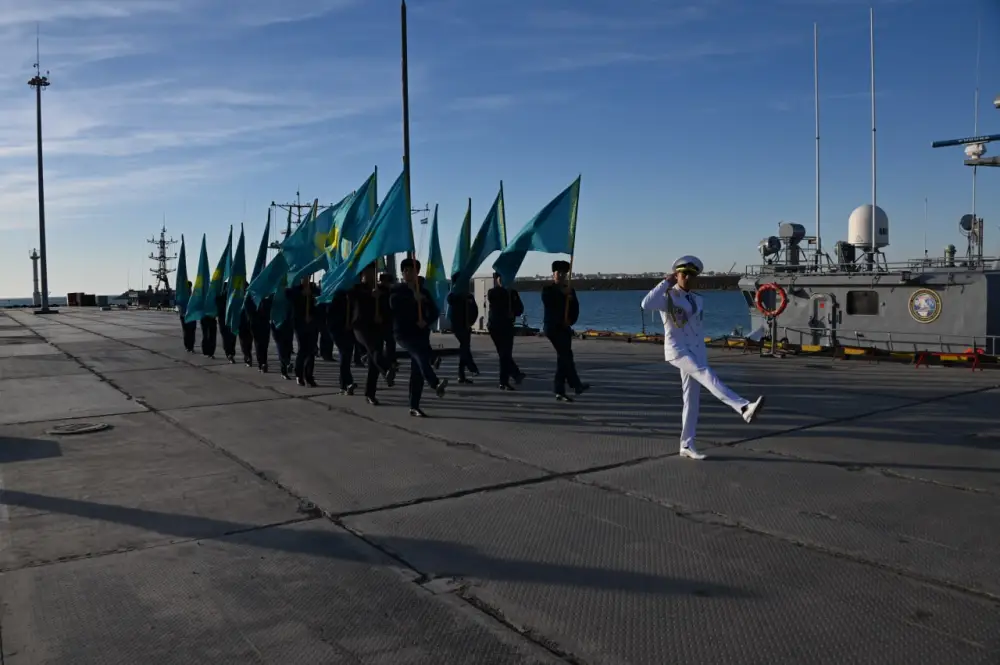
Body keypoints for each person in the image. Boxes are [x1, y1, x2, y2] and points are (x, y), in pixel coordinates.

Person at [641, 255, 765, 460]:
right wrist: (666, 282)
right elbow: (646, 304)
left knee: (691, 400)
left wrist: (701, 350)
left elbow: (696, 328)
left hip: (696, 350)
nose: (687, 278)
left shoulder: (698, 299)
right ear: (676, 275)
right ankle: (743, 407)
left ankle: (687, 444)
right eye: (683, 274)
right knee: (706, 374)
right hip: (678, 350)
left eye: (691, 275)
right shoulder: (667, 297)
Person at [391, 258, 447, 417]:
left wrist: (426, 320)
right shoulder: (397, 290)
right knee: (420, 356)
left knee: (417, 370)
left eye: (412, 270)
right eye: (406, 270)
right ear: (402, 273)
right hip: (403, 333)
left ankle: (414, 405)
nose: (409, 273)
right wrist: (412, 300)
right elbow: (394, 305)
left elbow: (434, 311)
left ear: (417, 273)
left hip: (420, 333)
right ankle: (435, 383)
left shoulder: (423, 291)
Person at [541, 260, 589, 401]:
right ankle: (575, 385)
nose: (561, 275)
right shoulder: (548, 290)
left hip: (565, 328)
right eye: (558, 273)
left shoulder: (570, 290)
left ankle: (559, 390)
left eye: (564, 273)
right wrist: (562, 294)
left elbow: (575, 309)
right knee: (565, 356)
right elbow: (549, 304)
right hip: (552, 328)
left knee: (564, 358)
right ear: (553, 274)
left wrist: (570, 320)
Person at [351, 265, 396, 404]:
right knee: (374, 350)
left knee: (373, 362)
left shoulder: (382, 289)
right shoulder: (357, 288)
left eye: (372, 272)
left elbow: (388, 307)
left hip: (377, 327)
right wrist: (371, 294)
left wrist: (382, 317)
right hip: (361, 327)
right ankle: (387, 369)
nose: (369, 275)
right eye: (366, 272)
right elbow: (354, 297)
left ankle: (370, 393)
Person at [486, 272, 525, 390]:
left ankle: (510, 378)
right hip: (495, 327)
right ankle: (511, 376)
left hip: (508, 326)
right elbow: (496, 302)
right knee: (504, 354)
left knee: (505, 354)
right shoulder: (493, 292)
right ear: (497, 279)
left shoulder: (512, 293)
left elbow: (520, 309)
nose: (503, 280)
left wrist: (513, 311)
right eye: (500, 278)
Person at [286, 277, 320, 387]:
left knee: (312, 350)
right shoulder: (295, 290)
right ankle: (299, 375)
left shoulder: (314, 288)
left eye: (307, 277)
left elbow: (321, 300)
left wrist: (312, 295)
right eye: (303, 278)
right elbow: (288, 295)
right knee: (303, 349)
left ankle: (309, 376)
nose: (305, 280)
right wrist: (301, 294)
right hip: (299, 323)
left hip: (312, 323)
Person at [447, 274, 480, 383]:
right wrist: (461, 296)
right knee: (465, 347)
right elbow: (450, 300)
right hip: (457, 326)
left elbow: (474, 309)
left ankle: (462, 375)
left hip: (467, 325)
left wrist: (471, 321)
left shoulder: (469, 296)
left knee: (464, 348)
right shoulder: (453, 295)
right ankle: (471, 367)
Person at [328, 285, 356, 394]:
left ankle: (343, 384)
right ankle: (348, 382)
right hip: (337, 330)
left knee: (347, 357)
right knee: (344, 355)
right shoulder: (335, 296)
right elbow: (331, 315)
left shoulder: (352, 295)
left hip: (349, 331)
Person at [375, 272, 398, 370]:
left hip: (388, 319)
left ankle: (391, 361)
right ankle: (386, 362)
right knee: (384, 342)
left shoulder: (390, 291)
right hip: (380, 320)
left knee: (390, 342)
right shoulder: (377, 291)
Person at [270, 295, 294, 380]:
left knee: (287, 349)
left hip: (287, 326)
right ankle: (285, 366)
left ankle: (286, 366)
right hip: (277, 326)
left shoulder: (288, 296)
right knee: (281, 347)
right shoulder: (272, 296)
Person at [216, 283, 237, 363]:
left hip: (228, 320)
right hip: (225, 320)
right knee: (229, 337)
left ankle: (230, 353)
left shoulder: (221, 298)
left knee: (229, 337)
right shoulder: (221, 297)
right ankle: (230, 353)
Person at [250, 295, 272, 372]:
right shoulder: (251, 295)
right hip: (255, 323)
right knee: (259, 344)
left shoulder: (267, 295)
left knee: (265, 344)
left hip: (265, 323)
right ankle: (261, 363)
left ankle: (264, 362)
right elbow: (248, 309)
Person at [179, 280, 197, 353]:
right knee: (187, 332)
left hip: (191, 315)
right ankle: (188, 347)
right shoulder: (189, 295)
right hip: (185, 315)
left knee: (191, 331)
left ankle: (190, 347)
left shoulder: (192, 295)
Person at [238, 297, 255, 367]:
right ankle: (247, 355)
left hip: (248, 315)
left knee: (247, 338)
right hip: (242, 315)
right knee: (245, 337)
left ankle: (247, 355)